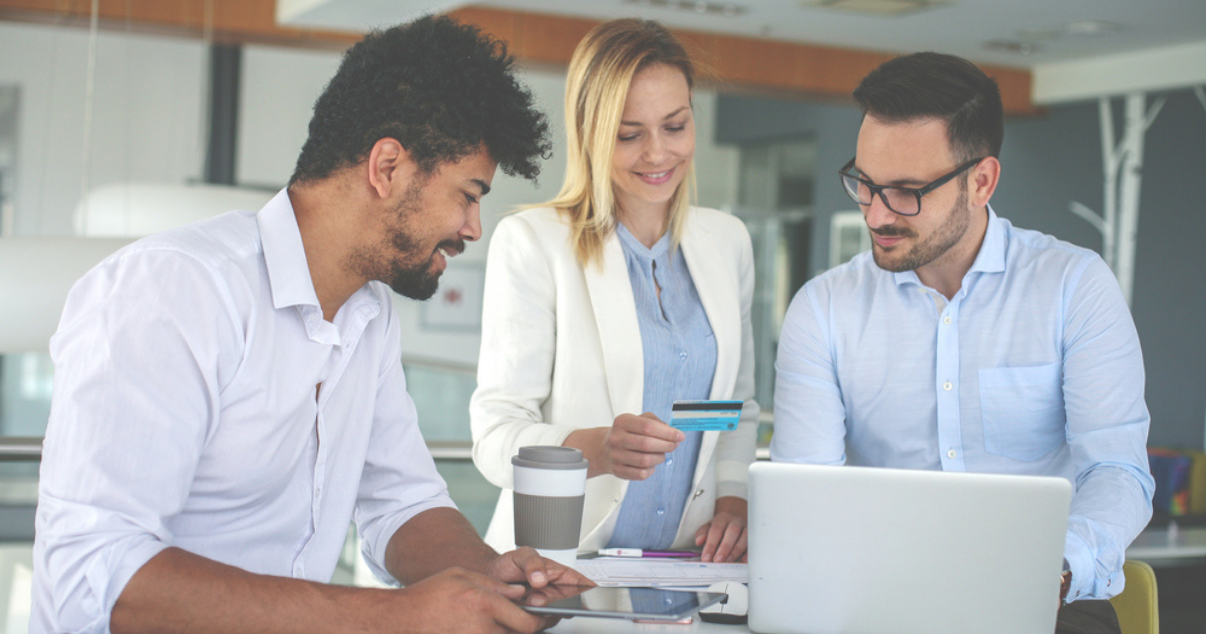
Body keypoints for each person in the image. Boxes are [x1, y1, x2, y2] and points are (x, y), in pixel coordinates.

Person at [32, 15, 590, 634]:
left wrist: (495, 579)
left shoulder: (369, 316)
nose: (472, 228)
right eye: (468, 193)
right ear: (386, 168)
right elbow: (100, 571)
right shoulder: (173, 290)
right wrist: (395, 617)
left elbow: (402, 502)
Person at [772, 52, 1153, 634]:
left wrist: (1055, 568)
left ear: (981, 181)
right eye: (865, 183)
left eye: (905, 191)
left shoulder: (1074, 287)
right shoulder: (823, 310)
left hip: (1045, 602)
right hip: (882, 605)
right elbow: (805, 499)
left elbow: (1117, 472)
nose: (876, 213)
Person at [470, 18, 758, 563]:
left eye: (675, 126)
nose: (657, 154)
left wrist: (733, 502)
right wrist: (594, 450)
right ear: (590, 134)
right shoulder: (535, 243)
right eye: (629, 134)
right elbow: (496, 435)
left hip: (685, 566)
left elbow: (731, 410)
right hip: (559, 563)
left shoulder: (727, 243)